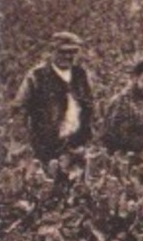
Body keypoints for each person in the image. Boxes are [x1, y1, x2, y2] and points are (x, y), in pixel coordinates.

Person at [15, 31, 95, 163]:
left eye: (73, 52)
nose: (68, 56)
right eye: (63, 52)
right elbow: (20, 109)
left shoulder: (80, 75)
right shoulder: (37, 77)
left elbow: (88, 106)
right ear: (52, 51)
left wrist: (85, 137)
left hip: (77, 143)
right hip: (46, 147)